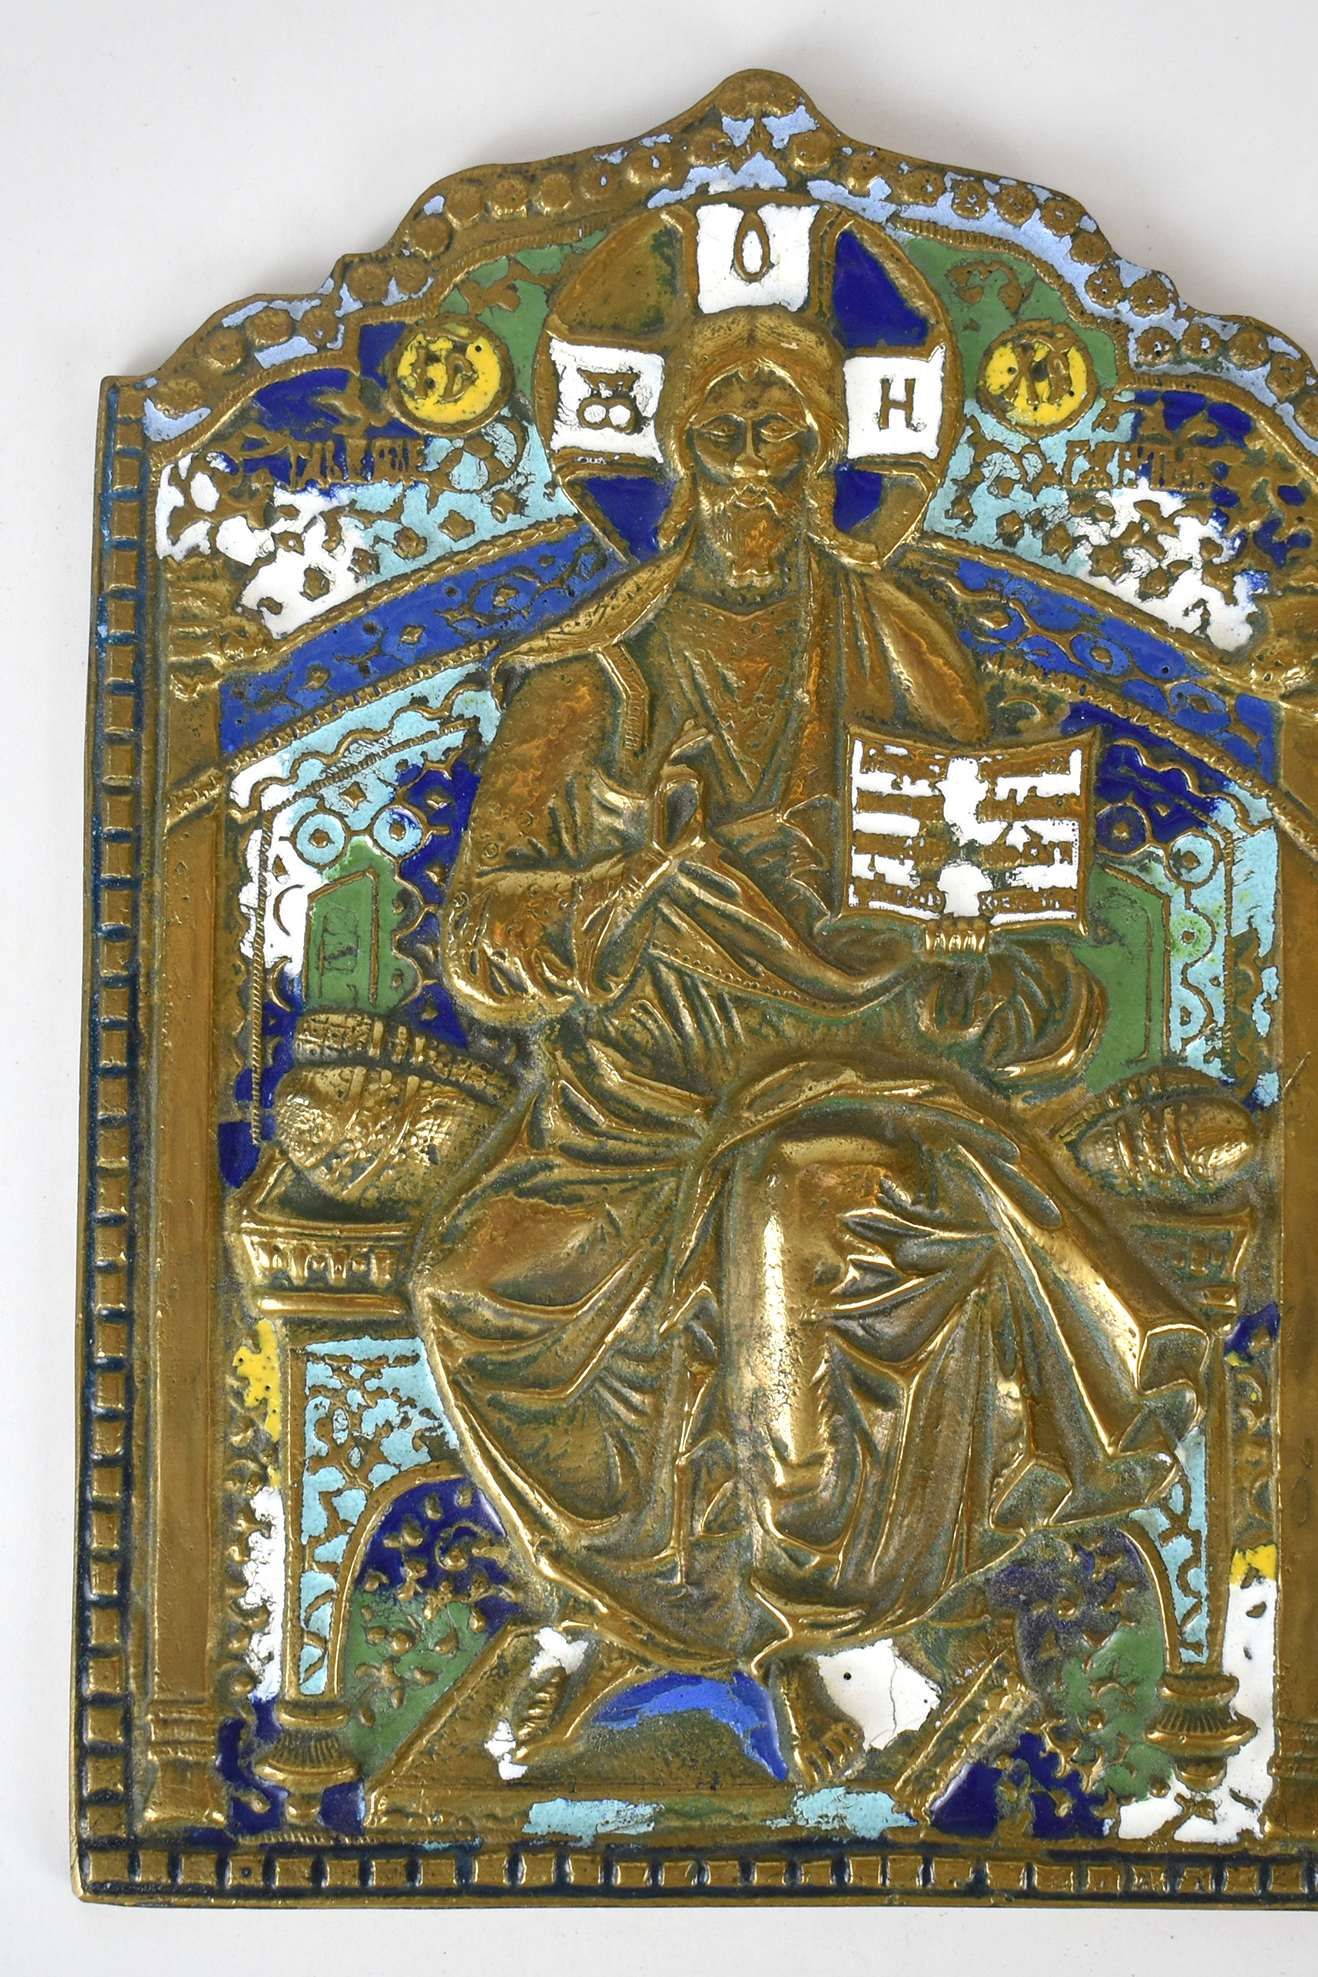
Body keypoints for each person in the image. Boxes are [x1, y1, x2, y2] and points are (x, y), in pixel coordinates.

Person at [408, 305, 1207, 1783]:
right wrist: (632, 887)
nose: (754, 461)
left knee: (792, 1223)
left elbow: (990, 905)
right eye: (724, 428)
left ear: (828, 451)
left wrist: (980, 964)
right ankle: (634, 1613)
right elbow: (478, 942)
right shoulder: (596, 670)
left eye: (784, 428)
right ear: (677, 454)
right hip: (641, 1102)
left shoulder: (895, 640)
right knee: (473, 1282)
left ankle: (836, 1632)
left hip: (857, 1074)